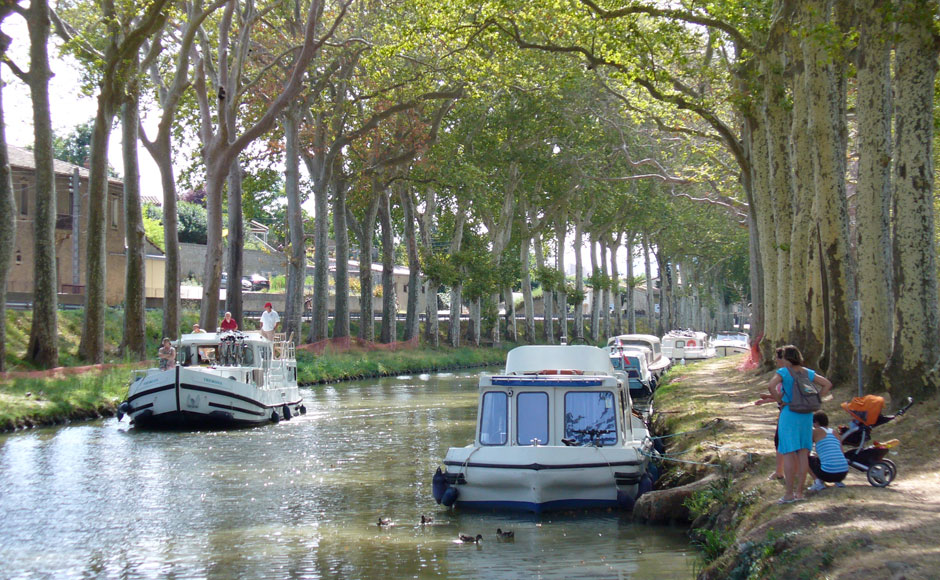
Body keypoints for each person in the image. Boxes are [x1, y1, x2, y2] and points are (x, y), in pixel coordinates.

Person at [768, 345, 833, 504]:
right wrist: (817, 398)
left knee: (789, 452)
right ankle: (800, 492)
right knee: (803, 453)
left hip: (789, 413)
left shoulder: (783, 372)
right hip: (806, 416)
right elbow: (827, 384)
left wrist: (780, 401)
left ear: (786, 357)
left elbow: (771, 386)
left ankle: (789, 493)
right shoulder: (807, 372)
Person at [807, 411, 849, 491]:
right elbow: (841, 452)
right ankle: (838, 482)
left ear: (816, 422)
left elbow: (807, 451)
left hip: (828, 473)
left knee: (804, 458)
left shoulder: (815, 432)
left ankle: (817, 483)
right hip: (843, 472)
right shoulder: (835, 432)